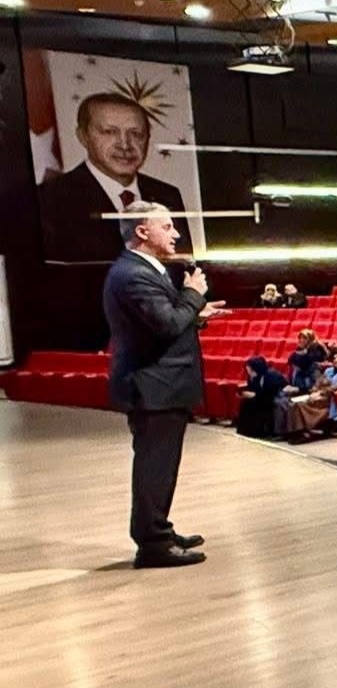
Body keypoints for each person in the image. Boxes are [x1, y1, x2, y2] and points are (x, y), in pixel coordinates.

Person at [105, 202, 224, 568]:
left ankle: (158, 528)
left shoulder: (141, 270)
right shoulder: (134, 274)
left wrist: (195, 313)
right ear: (143, 231)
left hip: (160, 384)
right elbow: (166, 324)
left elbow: (163, 322)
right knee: (155, 467)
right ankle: (153, 544)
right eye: (167, 227)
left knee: (160, 465)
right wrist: (192, 295)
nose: (175, 234)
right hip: (154, 386)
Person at [42, 95, 191, 263]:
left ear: (148, 139)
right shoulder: (50, 198)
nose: (125, 145)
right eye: (109, 132)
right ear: (83, 137)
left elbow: (184, 268)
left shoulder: (167, 195)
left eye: (136, 134)